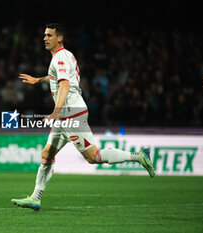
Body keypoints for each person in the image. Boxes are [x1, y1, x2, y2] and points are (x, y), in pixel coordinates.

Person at [11, 23, 155, 211]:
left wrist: (56, 111)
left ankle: (138, 157)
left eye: (49, 35)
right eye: (44, 35)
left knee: (93, 157)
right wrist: (39, 80)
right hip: (66, 113)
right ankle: (35, 198)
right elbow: (56, 78)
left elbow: (64, 85)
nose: (45, 38)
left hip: (70, 112)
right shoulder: (65, 55)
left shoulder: (60, 58)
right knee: (47, 154)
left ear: (59, 38)